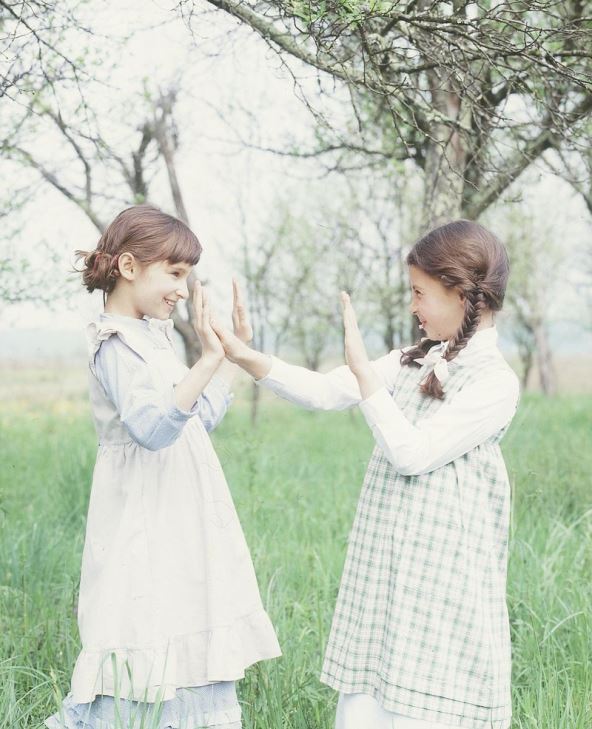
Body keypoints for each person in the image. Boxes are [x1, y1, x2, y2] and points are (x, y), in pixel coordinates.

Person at [212, 220, 520, 729]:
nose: (413, 306)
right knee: (370, 700)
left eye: (419, 292)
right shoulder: (416, 359)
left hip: (440, 575)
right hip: (388, 566)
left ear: (461, 294)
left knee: (427, 701)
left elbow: (413, 453)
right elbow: (323, 391)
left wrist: (364, 371)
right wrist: (244, 356)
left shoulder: (495, 383)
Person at [45, 205, 280, 729]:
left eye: (187, 276)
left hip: (179, 511)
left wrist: (232, 357)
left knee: (185, 607)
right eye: (174, 273)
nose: (182, 289)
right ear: (129, 267)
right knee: (141, 616)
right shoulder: (113, 343)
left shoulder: (155, 336)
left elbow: (197, 418)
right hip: (140, 514)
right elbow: (152, 428)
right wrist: (207, 360)